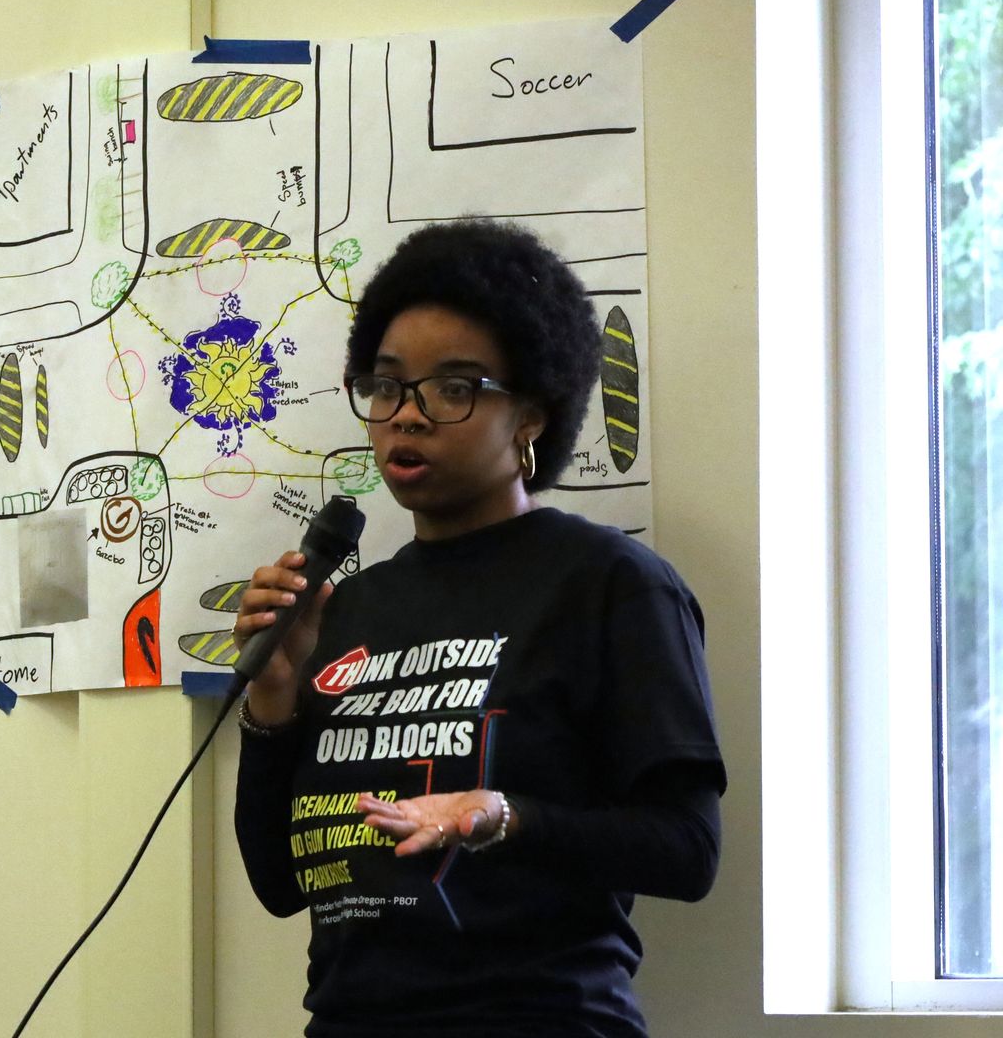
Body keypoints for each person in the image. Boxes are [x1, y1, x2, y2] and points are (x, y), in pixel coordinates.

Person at [232, 220, 725, 1037]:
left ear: (530, 413)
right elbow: (283, 882)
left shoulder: (610, 586)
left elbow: (686, 850)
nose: (407, 417)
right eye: (386, 386)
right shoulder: (346, 611)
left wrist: (500, 815)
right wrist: (274, 702)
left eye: (452, 387)